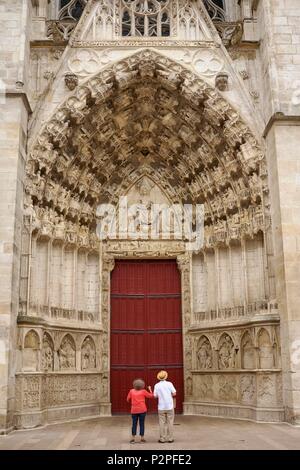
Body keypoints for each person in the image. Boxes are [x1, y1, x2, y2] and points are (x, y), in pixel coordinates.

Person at [127, 379, 153, 443]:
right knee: (142, 424)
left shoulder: (131, 391)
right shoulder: (143, 391)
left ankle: (133, 438)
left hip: (134, 410)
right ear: (142, 385)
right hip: (142, 410)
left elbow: (127, 399)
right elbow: (151, 396)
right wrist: (150, 389)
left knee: (134, 424)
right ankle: (142, 438)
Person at [154, 370, 176, 443]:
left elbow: (155, 396)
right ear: (166, 376)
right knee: (170, 422)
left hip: (161, 406)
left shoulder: (156, 385)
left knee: (161, 422)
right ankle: (170, 438)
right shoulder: (169, 384)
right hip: (169, 405)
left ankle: (162, 438)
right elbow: (174, 393)